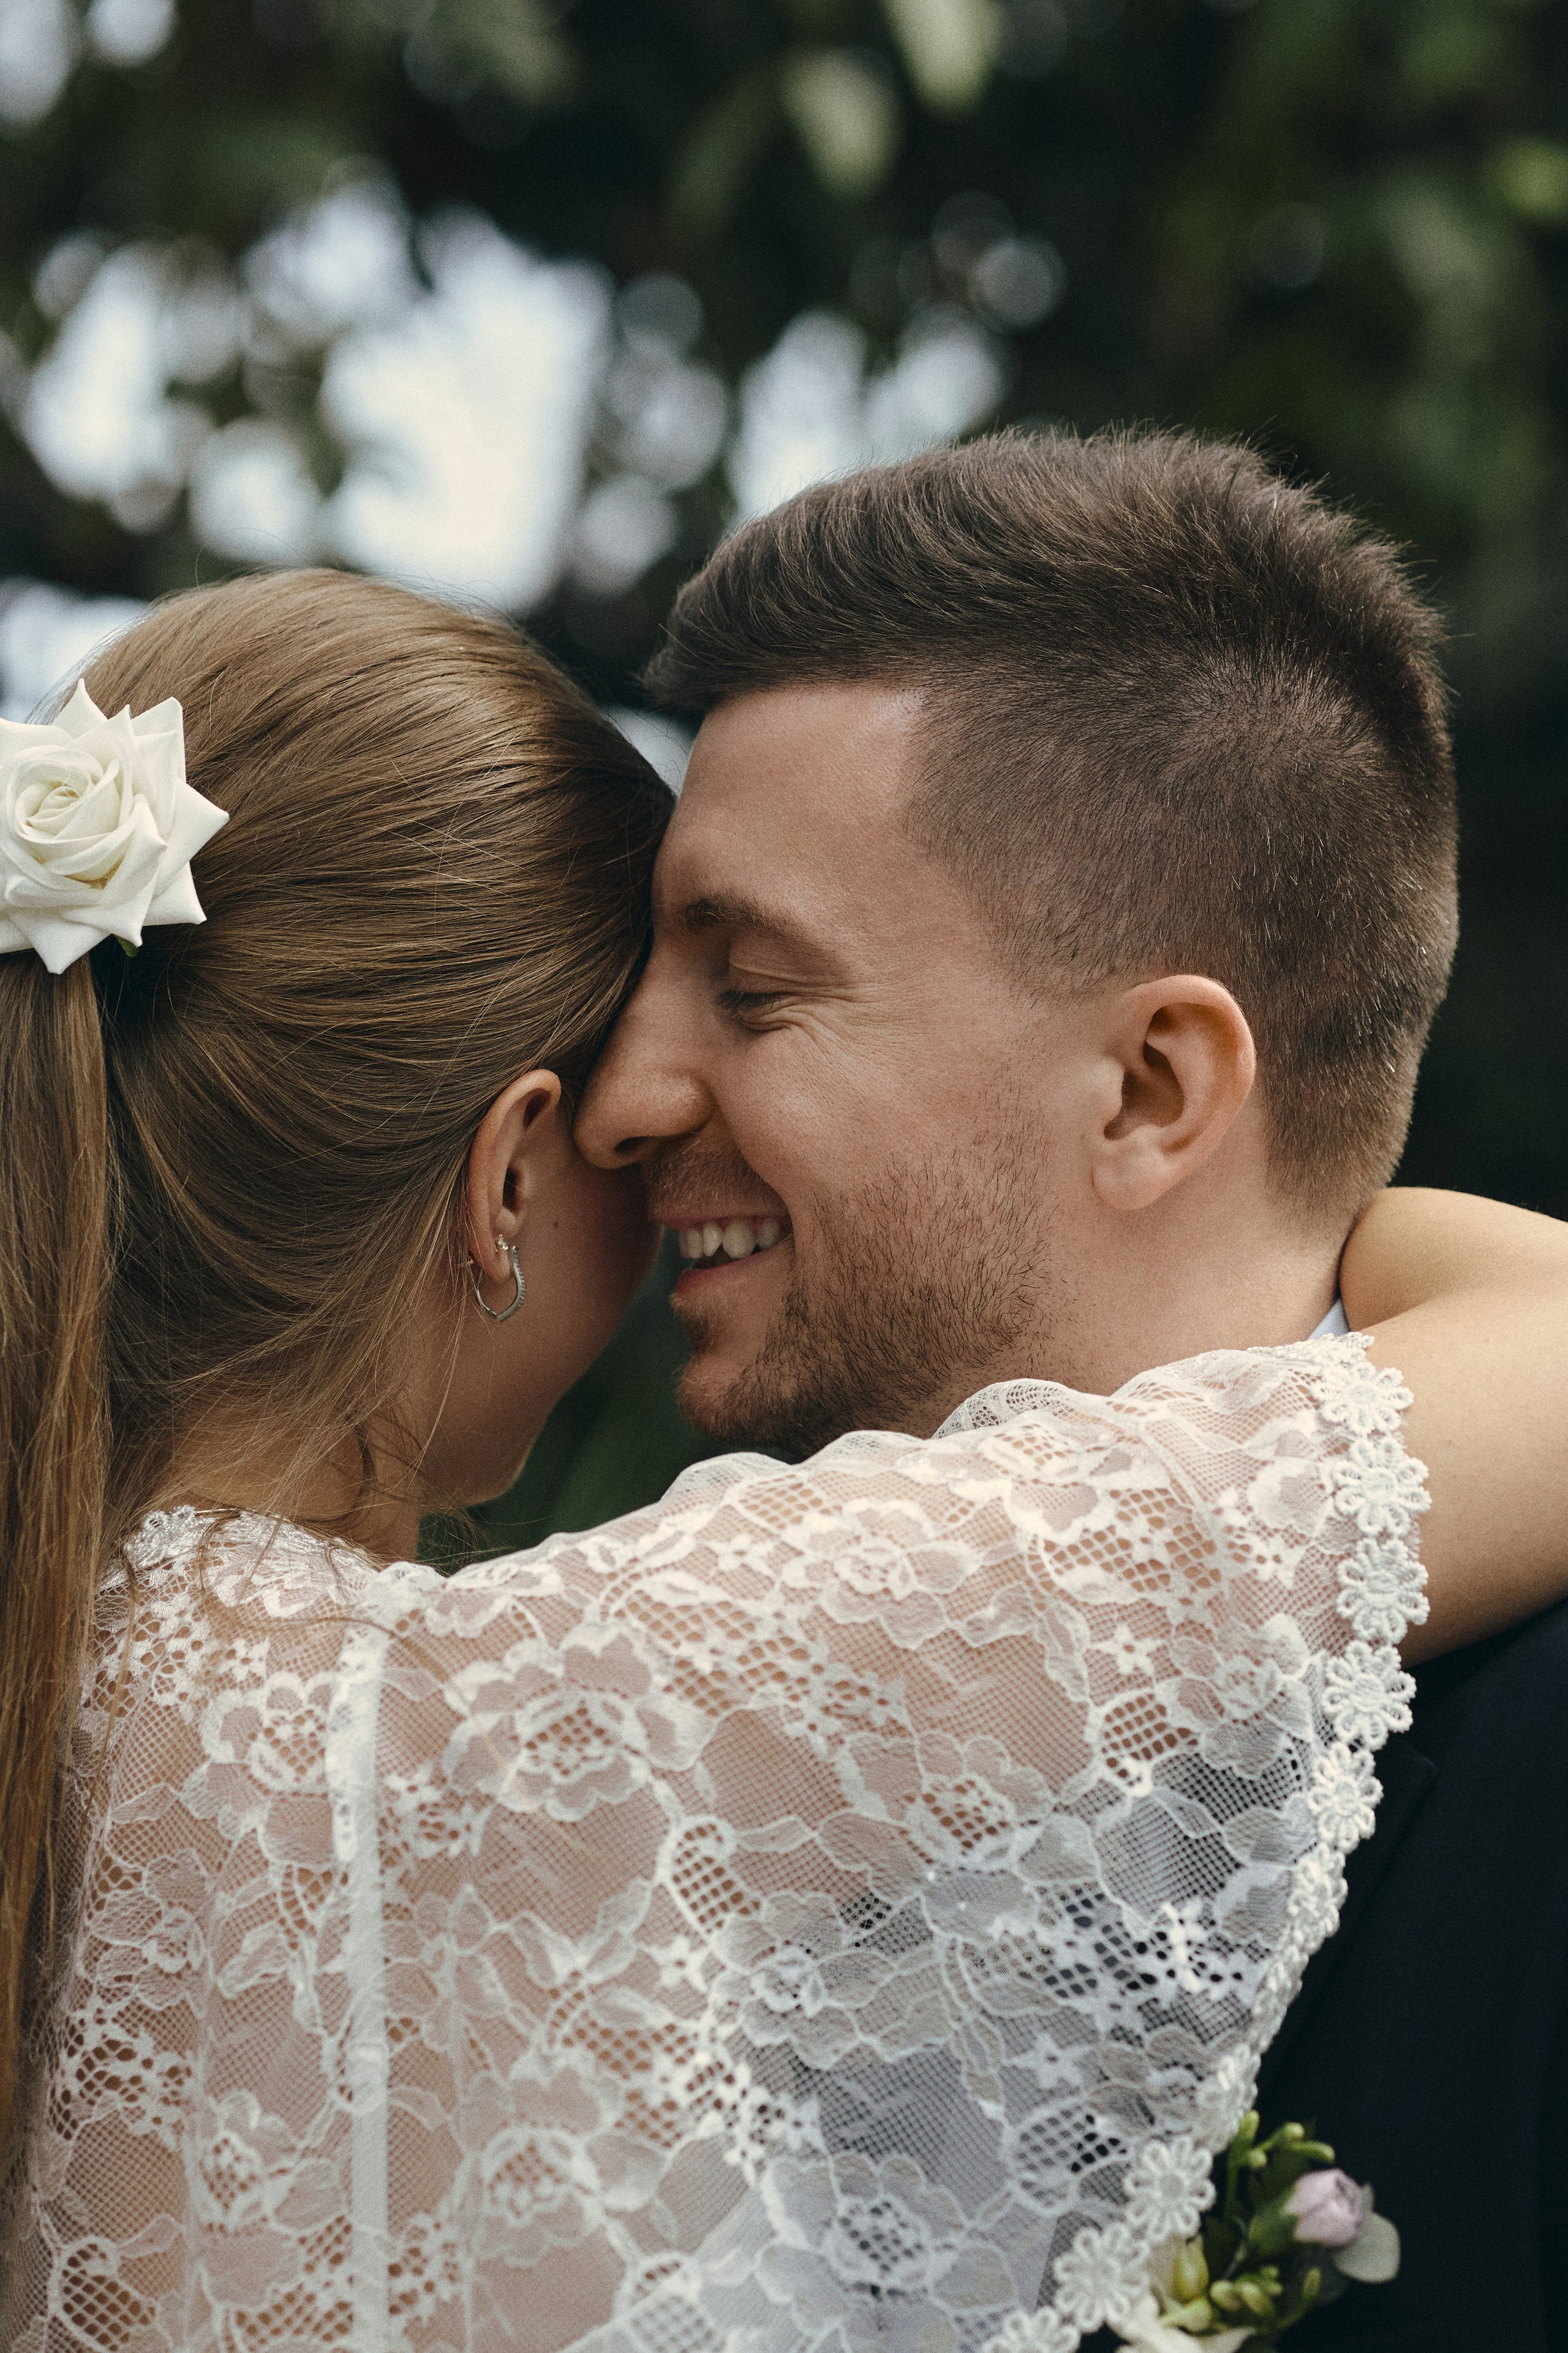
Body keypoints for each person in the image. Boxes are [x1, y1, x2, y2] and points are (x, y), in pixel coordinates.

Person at [0, 548, 1556, 2353]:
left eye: (745, 991)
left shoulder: (104, 1675)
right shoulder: (517, 1717)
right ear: (509, 1173)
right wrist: (1376, 1220)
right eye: (618, 1053)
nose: (654, 1111)